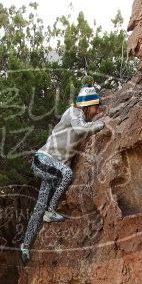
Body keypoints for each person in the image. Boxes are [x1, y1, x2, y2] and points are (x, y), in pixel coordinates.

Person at [20, 81, 107, 264]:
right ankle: (50, 212)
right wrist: (102, 124)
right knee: (66, 174)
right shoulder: (74, 112)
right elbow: (79, 129)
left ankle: (25, 246)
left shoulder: (81, 116)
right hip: (43, 160)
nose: (97, 111)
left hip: (53, 167)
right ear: (87, 105)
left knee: (38, 209)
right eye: (96, 107)